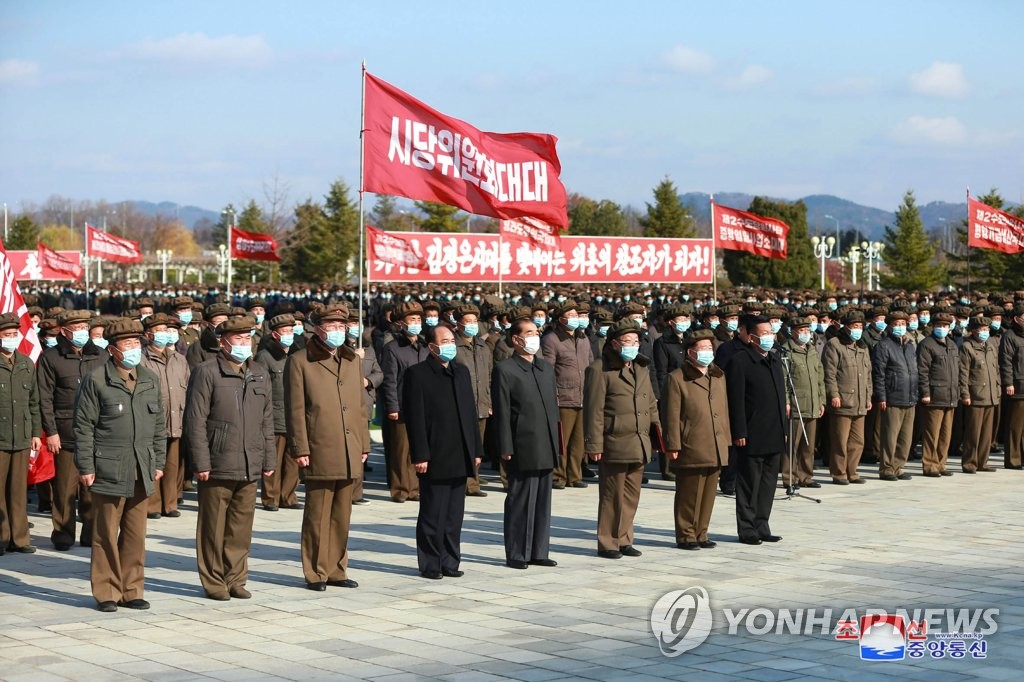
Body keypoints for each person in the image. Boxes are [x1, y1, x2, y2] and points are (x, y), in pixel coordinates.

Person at [74, 318, 166, 611]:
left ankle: (131, 589)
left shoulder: (150, 378)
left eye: (136, 344)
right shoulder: (97, 379)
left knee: (135, 533)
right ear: (113, 349)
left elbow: (158, 426)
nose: (133, 349)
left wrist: (159, 461)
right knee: (105, 534)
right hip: (108, 467)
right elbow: (84, 426)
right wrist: (86, 466)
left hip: (142, 466)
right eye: (127, 345)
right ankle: (107, 592)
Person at [184, 314, 275, 601]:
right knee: (213, 527)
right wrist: (201, 462)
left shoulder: (259, 372)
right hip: (217, 461)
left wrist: (268, 459)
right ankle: (213, 581)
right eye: (238, 339)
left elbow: (267, 420)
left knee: (240, 527)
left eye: (248, 338)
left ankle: (235, 578)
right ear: (223, 343)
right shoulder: (207, 372)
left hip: (250, 461)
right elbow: (195, 421)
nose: (244, 343)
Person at [285, 304, 369, 591]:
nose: (337, 331)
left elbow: (359, 406)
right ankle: (316, 571)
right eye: (331, 326)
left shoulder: (351, 360)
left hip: (349, 446)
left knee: (342, 513)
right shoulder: (300, 361)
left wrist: (363, 443)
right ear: (318, 329)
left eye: (341, 326)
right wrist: (300, 448)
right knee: (318, 514)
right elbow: (295, 410)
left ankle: (336, 568)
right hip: (319, 446)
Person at [402, 324, 483, 579]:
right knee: (432, 513)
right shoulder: (418, 374)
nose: (449, 344)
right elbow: (414, 419)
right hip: (434, 453)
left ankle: (450, 561)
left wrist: (476, 449)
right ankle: (431, 563)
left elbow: (471, 414)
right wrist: (420, 455)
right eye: (444, 340)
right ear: (432, 346)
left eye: (451, 340)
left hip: (460, 452)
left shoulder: (460, 371)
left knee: (453, 515)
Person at [583, 318, 659, 559]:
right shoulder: (600, 369)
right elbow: (593, 410)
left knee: (631, 494)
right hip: (614, 441)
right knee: (611, 495)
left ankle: (625, 538)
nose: (633, 346)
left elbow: (651, 404)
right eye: (628, 342)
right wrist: (594, 444)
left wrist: (656, 435)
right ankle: (608, 542)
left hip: (639, 440)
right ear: (615, 344)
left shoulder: (641, 367)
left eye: (636, 341)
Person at [491, 319, 560, 569]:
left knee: (543, 501)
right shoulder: (506, 369)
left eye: (536, 332)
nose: (534, 337)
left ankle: (539, 550)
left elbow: (553, 409)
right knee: (520, 501)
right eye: (529, 333)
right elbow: (502, 411)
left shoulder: (545, 368)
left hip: (546, 443)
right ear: (516, 339)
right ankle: (518, 553)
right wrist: (505, 447)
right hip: (522, 444)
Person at [37, 309, 107, 550]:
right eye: (76, 328)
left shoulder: (100, 355)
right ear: (64, 331)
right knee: (65, 488)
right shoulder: (51, 357)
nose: (81, 332)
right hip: (65, 432)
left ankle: (90, 533)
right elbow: (44, 398)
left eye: (84, 328)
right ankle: (63, 534)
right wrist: (51, 431)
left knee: (92, 487)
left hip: (96, 432)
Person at [662, 329, 730, 550]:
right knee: (689, 493)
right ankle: (685, 534)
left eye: (710, 348)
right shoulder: (677, 378)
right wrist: (672, 444)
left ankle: (702, 532)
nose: (708, 353)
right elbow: (671, 415)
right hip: (691, 443)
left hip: (715, 442)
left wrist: (726, 440)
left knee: (709, 492)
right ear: (690, 352)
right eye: (703, 349)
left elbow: (724, 410)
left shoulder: (717, 375)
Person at [725, 316, 786, 545]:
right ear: (752, 337)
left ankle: (763, 524)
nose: (770, 336)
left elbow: (781, 397)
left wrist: (784, 427)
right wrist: (739, 431)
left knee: (768, 484)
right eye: (765, 333)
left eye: (771, 332)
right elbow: (736, 399)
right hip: (751, 432)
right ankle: (747, 528)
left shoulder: (775, 359)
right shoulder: (740, 361)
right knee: (749, 483)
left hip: (774, 431)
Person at [140, 313, 190, 518]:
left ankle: (170, 503)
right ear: (148, 334)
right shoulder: (142, 359)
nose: (164, 335)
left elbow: (187, 386)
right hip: (152, 420)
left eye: (167, 330)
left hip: (176, 418)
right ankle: (152, 505)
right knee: (153, 462)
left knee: (172, 464)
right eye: (159, 331)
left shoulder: (179, 359)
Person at [540, 300, 593, 489]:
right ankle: (558, 476)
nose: (575, 319)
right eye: (570, 316)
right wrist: (552, 395)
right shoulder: (552, 339)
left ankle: (574, 475)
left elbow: (590, 364)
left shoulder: (583, 338)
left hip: (582, 397)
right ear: (561, 319)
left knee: (579, 442)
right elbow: (548, 370)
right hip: (563, 398)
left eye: (576, 315)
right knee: (562, 440)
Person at [379, 301, 429, 502]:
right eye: (412, 320)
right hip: (402, 405)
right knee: (401, 450)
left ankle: (416, 487)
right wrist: (392, 406)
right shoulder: (393, 348)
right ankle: (400, 489)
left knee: (419, 449)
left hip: (424, 406)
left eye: (418, 319)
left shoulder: (425, 346)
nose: (416, 323)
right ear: (401, 323)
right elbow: (389, 380)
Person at [0, 313, 41, 554]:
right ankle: (1, 537)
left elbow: (33, 402)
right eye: (6, 335)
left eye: (14, 335)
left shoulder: (26, 363)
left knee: (18, 490)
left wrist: (36, 432)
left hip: (22, 436)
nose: (11, 339)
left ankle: (20, 538)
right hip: (1, 437)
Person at [255, 313, 301, 512]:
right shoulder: (265, 357)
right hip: (274, 416)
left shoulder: (297, 353)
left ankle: (288, 496)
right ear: (275, 334)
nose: (290, 334)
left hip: (295, 415)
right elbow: (261, 388)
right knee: (273, 459)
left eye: (291, 331)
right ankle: (271, 498)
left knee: (293, 460)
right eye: (285, 332)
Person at [822, 311, 873, 485]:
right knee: (840, 440)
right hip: (843, 400)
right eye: (854, 326)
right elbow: (829, 374)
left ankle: (852, 471)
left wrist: (868, 396)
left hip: (860, 401)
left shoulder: (862, 346)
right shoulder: (834, 345)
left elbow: (868, 375)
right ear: (846, 327)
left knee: (858, 441)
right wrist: (834, 394)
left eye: (860, 326)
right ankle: (839, 472)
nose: (858, 330)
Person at [779, 316, 825, 491]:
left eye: (807, 330)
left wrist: (821, 400)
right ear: (793, 332)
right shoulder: (786, 352)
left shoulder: (811, 350)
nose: (805, 334)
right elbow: (783, 380)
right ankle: (789, 477)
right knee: (793, 444)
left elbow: (820, 377)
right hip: (797, 404)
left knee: (809, 445)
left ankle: (806, 476)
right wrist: (787, 402)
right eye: (802, 331)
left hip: (813, 404)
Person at [871, 311, 918, 481]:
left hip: (910, 397)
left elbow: (914, 370)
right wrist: (881, 396)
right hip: (892, 397)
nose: (900, 327)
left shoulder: (909, 345)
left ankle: (898, 466)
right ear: (890, 326)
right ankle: (887, 468)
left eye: (903, 324)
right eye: (897, 324)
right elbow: (879, 374)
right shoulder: (883, 346)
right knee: (890, 436)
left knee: (905, 438)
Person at [451, 303, 491, 498]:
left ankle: (473, 483)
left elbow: (489, 376)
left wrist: (489, 401)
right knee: (461, 445)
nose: (472, 325)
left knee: (478, 447)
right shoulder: (453, 347)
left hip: (481, 403)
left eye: (475, 321)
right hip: (461, 404)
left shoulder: (483, 346)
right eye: (468, 321)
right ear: (458, 323)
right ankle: (461, 482)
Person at [345, 309, 382, 505]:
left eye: (356, 323)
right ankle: (345, 490)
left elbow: (379, 372)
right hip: (344, 407)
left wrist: (369, 381)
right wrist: (354, 359)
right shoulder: (341, 349)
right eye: (350, 323)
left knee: (362, 450)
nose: (354, 327)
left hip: (364, 403)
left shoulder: (368, 348)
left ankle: (357, 492)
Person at [917, 312, 960, 477]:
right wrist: (925, 393)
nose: (942, 329)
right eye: (939, 326)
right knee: (931, 433)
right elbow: (922, 371)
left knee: (945, 434)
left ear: (949, 328)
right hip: (934, 396)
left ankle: (941, 464)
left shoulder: (952, 345)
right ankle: (929, 465)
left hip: (950, 395)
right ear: (933, 326)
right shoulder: (926, 344)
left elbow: (957, 371)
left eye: (945, 326)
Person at [959, 317, 1000, 473]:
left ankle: (983, 462)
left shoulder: (990, 346)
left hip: (990, 395)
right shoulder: (967, 347)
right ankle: (970, 462)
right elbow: (963, 373)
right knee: (973, 432)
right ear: (974, 330)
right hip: (975, 394)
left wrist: (997, 390)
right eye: (981, 329)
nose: (984, 332)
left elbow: (995, 371)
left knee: (986, 434)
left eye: (986, 329)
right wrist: (965, 394)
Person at [999, 304, 1024, 469]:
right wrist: (1008, 383)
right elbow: (1006, 361)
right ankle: (1013, 460)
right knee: (1015, 426)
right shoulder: (1009, 336)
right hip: (1017, 386)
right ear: (1017, 319)